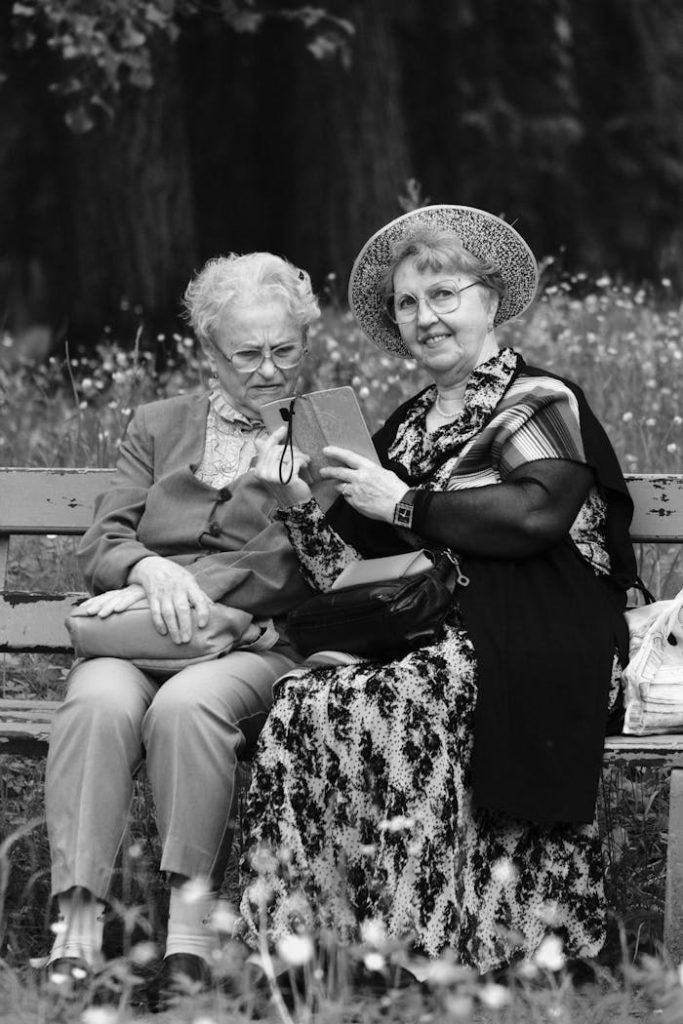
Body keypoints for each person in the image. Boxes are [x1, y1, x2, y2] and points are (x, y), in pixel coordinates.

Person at [240, 205, 637, 974]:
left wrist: (403, 501)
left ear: (490, 300)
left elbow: (533, 515)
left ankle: (423, 950)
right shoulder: (406, 426)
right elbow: (361, 576)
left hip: (543, 635)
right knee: (300, 701)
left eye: (444, 294)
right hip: (431, 635)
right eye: (407, 303)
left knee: (394, 699)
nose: (425, 317)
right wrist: (295, 498)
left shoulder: (537, 399)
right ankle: (308, 951)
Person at [44, 251, 320, 992]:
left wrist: (174, 590)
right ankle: (76, 923)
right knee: (97, 703)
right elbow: (104, 539)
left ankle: (186, 935)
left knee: (186, 707)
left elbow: (288, 566)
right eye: (246, 353)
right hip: (140, 635)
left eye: (283, 350)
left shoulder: (322, 431)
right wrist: (145, 571)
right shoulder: (157, 424)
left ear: (305, 343)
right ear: (208, 350)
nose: (267, 369)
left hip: (249, 639)